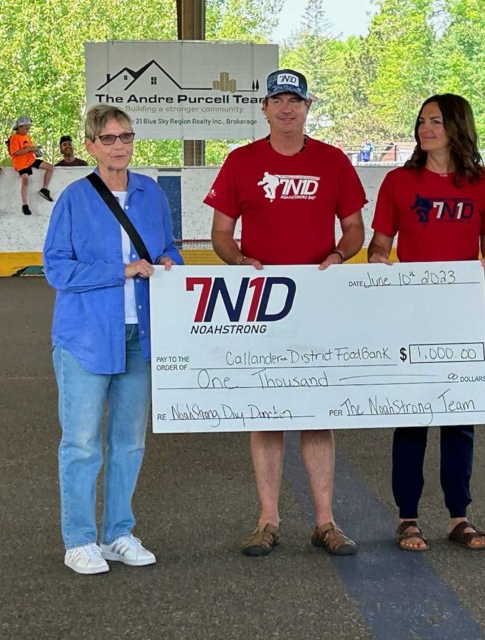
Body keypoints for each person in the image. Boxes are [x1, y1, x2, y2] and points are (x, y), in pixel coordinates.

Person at [204, 68, 366, 557]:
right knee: (266, 412)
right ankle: (267, 520)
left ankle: (325, 521)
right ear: (265, 108)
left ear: (308, 107)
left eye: (295, 100)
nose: (286, 108)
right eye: (277, 100)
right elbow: (220, 235)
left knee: (317, 413)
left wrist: (339, 255)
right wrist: (238, 261)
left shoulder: (333, 162)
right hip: (262, 306)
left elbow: (355, 228)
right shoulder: (241, 162)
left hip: (318, 304)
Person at [42, 104, 184, 575]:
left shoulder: (151, 195)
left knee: (129, 441)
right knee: (82, 443)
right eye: (108, 139)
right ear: (89, 146)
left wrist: (167, 264)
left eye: (126, 136)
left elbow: (167, 248)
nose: (119, 145)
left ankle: (118, 532)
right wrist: (119, 271)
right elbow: (57, 268)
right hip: (85, 337)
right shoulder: (74, 199)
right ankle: (79, 539)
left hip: (140, 334)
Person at [367, 94, 485, 552]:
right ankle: (407, 517)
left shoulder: (482, 183)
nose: (425, 128)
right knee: (410, 417)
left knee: (459, 418)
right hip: (410, 311)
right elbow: (380, 244)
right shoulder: (398, 182)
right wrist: (380, 264)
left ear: (457, 127)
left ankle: (458, 515)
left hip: (461, 311)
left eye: (435, 121)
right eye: (421, 121)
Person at [7, 115, 55, 215]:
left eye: (28, 129)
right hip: (21, 163)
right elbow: (16, 152)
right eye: (26, 129)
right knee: (25, 181)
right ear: (19, 127)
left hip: (31, 160)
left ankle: (44, 189)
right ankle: (25, 204)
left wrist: (36, 151)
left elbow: (29, 148)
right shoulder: (14, 138)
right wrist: (30, 149)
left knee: (50, 167)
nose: (27, 131)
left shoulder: (27, 137)